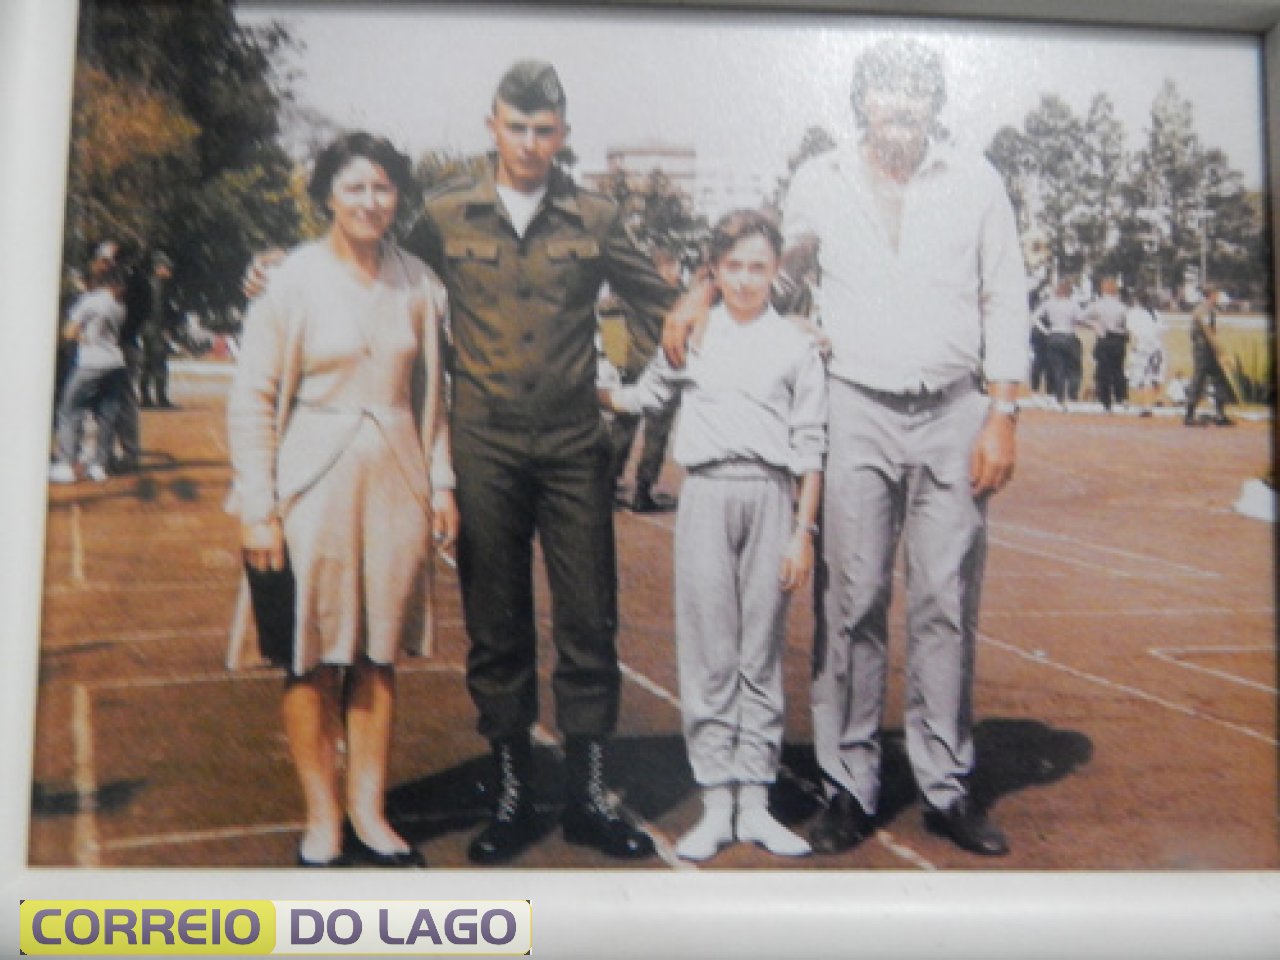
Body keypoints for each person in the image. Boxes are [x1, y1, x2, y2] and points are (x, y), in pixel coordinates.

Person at [669, 38, 1027, 857]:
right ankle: (848, 783)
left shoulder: (975, 180)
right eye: (886, 94)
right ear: (862, 101)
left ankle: (945, 784)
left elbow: (1006, 296)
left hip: (954, 411)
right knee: (852, 600)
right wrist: (698, 292)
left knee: (945, 601)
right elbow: (774, 263)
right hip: (855, 404)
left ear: (936, 105)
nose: (901, 109)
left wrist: (1004, 412)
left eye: (916, 96)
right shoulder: (821, 179)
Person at [381, 60, 679, 864]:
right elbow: (387, 288)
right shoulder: (445, 217)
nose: (530, 143)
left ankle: (586, 791)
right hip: (484, 443)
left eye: (545, 130)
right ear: (493, 126)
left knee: (589, 619)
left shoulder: (594, 213)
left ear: (564, 135)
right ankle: (511, 790)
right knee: (497, 621)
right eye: (517, 127)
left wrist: (632, 400)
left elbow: (661, 307)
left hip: (575, 442)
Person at [227, 131, 459, 868]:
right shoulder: (289, 281)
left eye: (384, 188)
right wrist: (258, 507)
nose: (370, 201)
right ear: (327, 194)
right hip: (309, 487)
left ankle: (369, 811)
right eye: (355, 187)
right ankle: (322, 818)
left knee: (377, 657)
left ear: (399, 198)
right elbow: (253, 398)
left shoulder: (419, 281)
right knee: (309, 659)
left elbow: (434, 398)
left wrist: (442, 481)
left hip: (396, 482)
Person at [603, 210, 826, 861]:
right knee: (708, 655)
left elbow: (811, 445)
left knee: (758, 654)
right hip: (704, 495)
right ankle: (716, 803)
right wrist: (574, 391)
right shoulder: (693, 334)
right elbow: (645, 395)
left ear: (776, 270)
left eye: (760, 267)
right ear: (715, 271)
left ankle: (755, 803)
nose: (747, 279)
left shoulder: (797, 345)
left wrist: (802, 532)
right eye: (734, 267)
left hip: (770, 500)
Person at [611, 242, 686, 512]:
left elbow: (610, 316)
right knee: (657, 430)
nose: (678, 272)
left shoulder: (629, 293)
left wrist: (617, 357)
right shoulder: (670, 298)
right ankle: (643, 490)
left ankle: (609, 481)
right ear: (663, 268)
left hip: (630, 363)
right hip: (662, 367)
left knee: (623, 425)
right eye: (674, 266)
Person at [49, 265, 130, 483]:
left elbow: (69, 332)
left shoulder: (90, 301)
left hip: (91, 363)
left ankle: (67, 463)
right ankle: (99, 465)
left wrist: (82, 338)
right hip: (115, 363)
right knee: (106, 415)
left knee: (69, 410)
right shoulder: (120, 306)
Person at [1184, 284, 1236, 426]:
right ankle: (1189, 415)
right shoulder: (1203, 311)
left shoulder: (1209, 310)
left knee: (1219, 379)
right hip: (1203, 351)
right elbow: (1209, 333)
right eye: (1216, 294)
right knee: (1199, 381)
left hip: (1207, 350)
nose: (1218, 297)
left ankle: (1220, 414)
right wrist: (1222, 352)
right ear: (1211, 294)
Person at [1033, 278, 1085, 409]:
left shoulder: (1049, 303)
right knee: (1074, 368)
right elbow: (1080, 319)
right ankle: (1072, 396)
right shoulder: (1073, 304)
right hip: (1069, 335)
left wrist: (1046, 330)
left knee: (1058, 369)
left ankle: (1059, 397)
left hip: (1054, 335)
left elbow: (1034, 317)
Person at [137, 250, 178, 408]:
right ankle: (161, 398)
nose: (169, 271)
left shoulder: (149, 284)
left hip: (146, 329)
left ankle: (146, 398)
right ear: (158, 268)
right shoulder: (159, 287)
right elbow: (158, 310)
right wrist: (165, 330)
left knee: (147, 365)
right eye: (167, 268)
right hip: (155, 330)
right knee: (160, 364)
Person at [1082, 277, 1128, 412]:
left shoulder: (1097, 305)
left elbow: (1082, 317)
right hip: (1118, 339)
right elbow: (1125, 325)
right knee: (1118, 370)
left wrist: (1094, 325)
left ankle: (1106, 401)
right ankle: (1121, 397)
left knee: (1103, 371)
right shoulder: (1121, 307)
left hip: (1104, 338)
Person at [1124, 291, 1166, 417]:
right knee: (1152, 378)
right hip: (1156, 349)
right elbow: (1162, 330)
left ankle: (1144, 405)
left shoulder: (1133, 314)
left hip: (1141, 349)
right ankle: (1149, 404)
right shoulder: (1155, 314)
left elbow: (1131, 332)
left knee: (1140, 379)